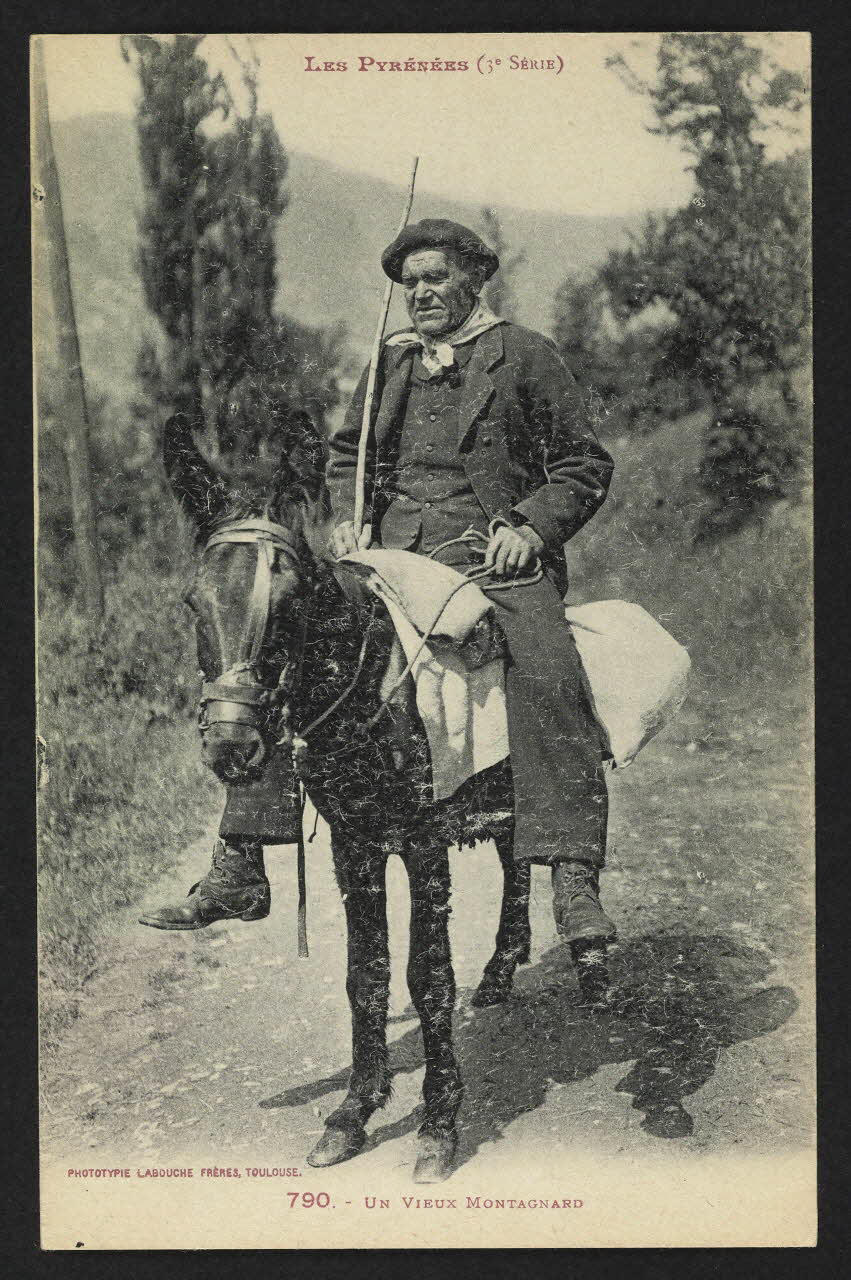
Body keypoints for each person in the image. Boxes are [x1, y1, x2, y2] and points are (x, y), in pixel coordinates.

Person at [326, 218, 617, 944]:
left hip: (490, 557)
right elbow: (345, 458)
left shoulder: (523, 355)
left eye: (435, 277)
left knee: (549, 670)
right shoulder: (388, 365)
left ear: (473, 280)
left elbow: (582, 465)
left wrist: (527, 529)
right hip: (389, 556)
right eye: (410, 281)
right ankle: (241, 850)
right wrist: (344, 517)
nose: (420, 292)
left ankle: (572, 874)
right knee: (287, 641)